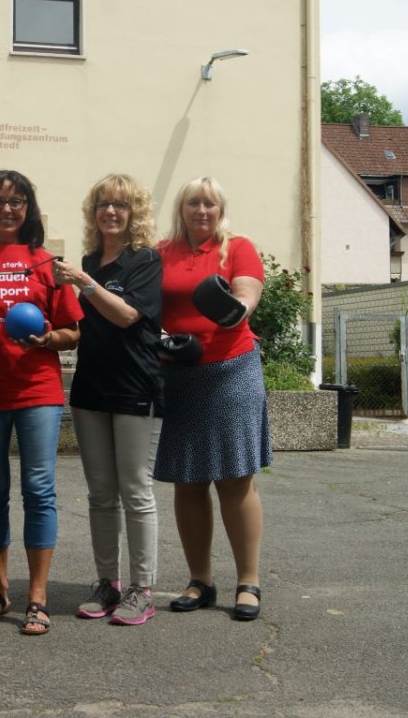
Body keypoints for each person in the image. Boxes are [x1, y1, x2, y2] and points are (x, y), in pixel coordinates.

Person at [0, 170, 82, 636]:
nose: (7, 209)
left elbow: (73, 329)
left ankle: (38, 597)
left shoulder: (46, 263)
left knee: (39, 489)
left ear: (29, 208)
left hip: (37, 391)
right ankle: (0, 590)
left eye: (17, 200)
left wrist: (49, 339)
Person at [154, 176, 269, 622]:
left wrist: (234, 308)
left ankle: (248, 582)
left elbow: (245, 295)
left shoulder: (237, 247)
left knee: (236, 477)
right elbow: (149, 307)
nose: (201, 210)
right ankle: (199, 579)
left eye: (210, 204)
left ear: (221, 210)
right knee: (189, 479)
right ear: (181, 209)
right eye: (193, 203)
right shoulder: (163, 252)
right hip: (181, 372)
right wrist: (160, 338)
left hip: (231, 369)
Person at [53, 174, 164, 626]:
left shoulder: (145, 261)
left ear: (133, 212)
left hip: (136, 386)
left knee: (136, 492)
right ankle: (108, 583)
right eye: (103, 204)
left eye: (120, 205)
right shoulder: (90, 260)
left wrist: (84, 283)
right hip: (91, 388)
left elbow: (126, 316)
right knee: (100, 494)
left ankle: (142, 588)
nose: (111, 212)